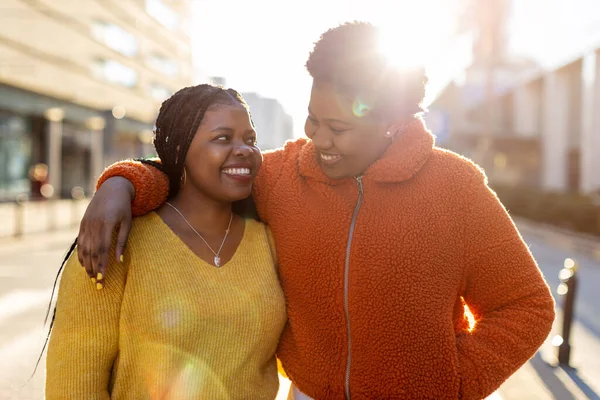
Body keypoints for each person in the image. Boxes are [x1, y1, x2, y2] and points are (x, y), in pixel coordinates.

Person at [78, 22, 555, 400]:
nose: (319, 139)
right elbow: (199, 173)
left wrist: (451, 384)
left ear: (390, 123)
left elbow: (527, 305)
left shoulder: (456, 188)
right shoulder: (284, 177)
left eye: (338, 128)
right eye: (312, 119)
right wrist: (121, 183)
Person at [45, 84, 287, 399]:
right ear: (178, 152)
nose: (244, 150)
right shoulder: (116, 242)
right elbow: (74, 386)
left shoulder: (269, 240)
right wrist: (120, 183)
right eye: (223, 138)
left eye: (250, 139)